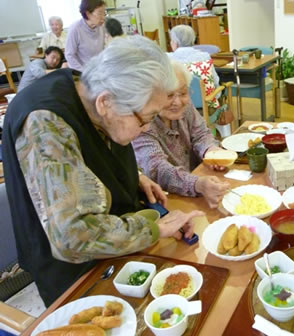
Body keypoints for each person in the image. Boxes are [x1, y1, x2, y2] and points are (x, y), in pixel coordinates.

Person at [2, 36, 203, 306]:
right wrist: (152, 228)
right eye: (146, 119)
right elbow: (72, 238)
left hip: (118, 247)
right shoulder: (45, 123)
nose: (147, 128)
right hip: (75, 273)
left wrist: (135, 177)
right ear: (106, 103)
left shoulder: (94, 90)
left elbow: (94, 153)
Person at [133, 61, 229, 209]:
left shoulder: (186, 105)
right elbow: (158, 169)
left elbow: (201, 134)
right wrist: (197, 184)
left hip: (200, 184)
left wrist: (211, 151)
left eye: (183, 93)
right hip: (169, 199)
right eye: (169, 95)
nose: (177, 102)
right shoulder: (142, 124)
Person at [65, 0, 106, 71]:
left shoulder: (101, 27)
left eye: (104, 13)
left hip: (99, 70)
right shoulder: (75, 29)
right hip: (83, 72)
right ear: (88, 14)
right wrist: (83, 72)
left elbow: (103, 49)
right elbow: (69, 55)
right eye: (100, 13)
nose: (103, 17)